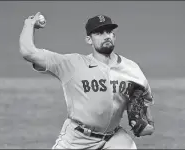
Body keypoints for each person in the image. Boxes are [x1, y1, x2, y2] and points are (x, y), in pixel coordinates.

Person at [19, 12, 155, 149]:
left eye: (109, 32)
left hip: (113, 138)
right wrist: (29, 23)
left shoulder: (132, 68)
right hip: (77, 138)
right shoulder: (72, 64)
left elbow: (145, 100)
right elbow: (28, 52)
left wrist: (148, 125)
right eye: (99, 33)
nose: (106, 36)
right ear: (89, 40)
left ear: (114, 36)